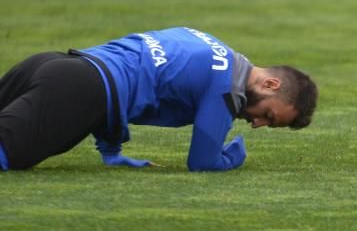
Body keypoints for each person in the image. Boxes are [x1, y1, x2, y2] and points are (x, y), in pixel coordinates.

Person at [0, 26, 318, 172]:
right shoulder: (227, 90)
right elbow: (203, 162)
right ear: (271, 84)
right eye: (268, 115)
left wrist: (111, 150)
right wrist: (235, 155)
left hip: (55, 65)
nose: (258, 123)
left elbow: (131, 75)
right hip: (79, 91)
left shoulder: (210, 43)